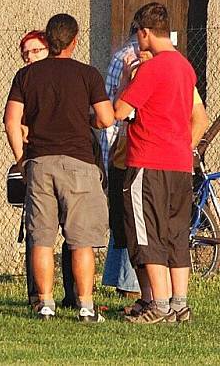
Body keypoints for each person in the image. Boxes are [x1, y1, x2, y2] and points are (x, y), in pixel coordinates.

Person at [4, 13, 115, 322]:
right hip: (80, 162)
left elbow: (11, 121)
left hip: (39, 161)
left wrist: (21, 159)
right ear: (75, 40)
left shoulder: (26, 76)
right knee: (81, 240)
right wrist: (88, 119)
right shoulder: (88, 74)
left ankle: (45, 303)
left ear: (48, 40)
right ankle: (86, 306)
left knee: (41, 237)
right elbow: (106, 119)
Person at [115, 2, 209, 324]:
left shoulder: (152, 69)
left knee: (147, 234)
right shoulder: (184, 67)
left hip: (148, 161)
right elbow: (198, 116)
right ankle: (180, 304)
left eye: (138, 36)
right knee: (175, 233)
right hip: (179, 163)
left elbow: (119, 110)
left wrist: (128, 75)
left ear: (144, 32)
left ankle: (159, 305)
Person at [17, 30, 77, 309]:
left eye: (36, 51)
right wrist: (21, 158)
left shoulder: (65, 78)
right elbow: (14, 121)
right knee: (39, 232)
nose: (30, 57)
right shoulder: (26, 80)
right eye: (26, 53)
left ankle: (73, 293)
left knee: (72, 231)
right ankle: (38, 296)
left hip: (68, 160)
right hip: (37, 160)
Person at [100, 25, 143, 302]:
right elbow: (117, 112)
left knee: (123, 218)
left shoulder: (124, 58)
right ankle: (128, 283)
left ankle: (123, 280)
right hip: (128, 152)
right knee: (130, 218)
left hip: (123, 152)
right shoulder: (131, 60)